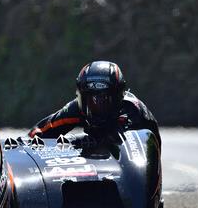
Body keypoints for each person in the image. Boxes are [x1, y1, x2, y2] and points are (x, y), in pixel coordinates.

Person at [28, 60, 161, 145]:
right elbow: (40, 130)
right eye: (92, 100)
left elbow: (129, 144)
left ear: (118, 97)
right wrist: (33, 142)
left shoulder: (133, 110)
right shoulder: (77, 108)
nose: (98, 106)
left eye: (104, 100)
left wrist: (75, 140)